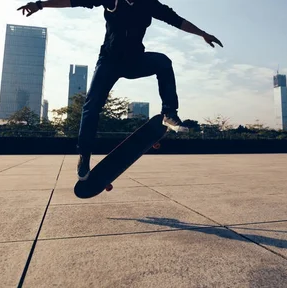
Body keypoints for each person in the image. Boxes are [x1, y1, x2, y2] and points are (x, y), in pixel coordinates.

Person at [17, 0, 223, 180]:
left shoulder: (149, 3)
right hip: (109, 62)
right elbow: (73, 1)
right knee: (91, 106)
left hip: (135, 62)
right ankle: (84, 156)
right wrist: (40, 4)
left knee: (163, 62)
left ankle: (170, 113)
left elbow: (176, 20)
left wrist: (202, 34)